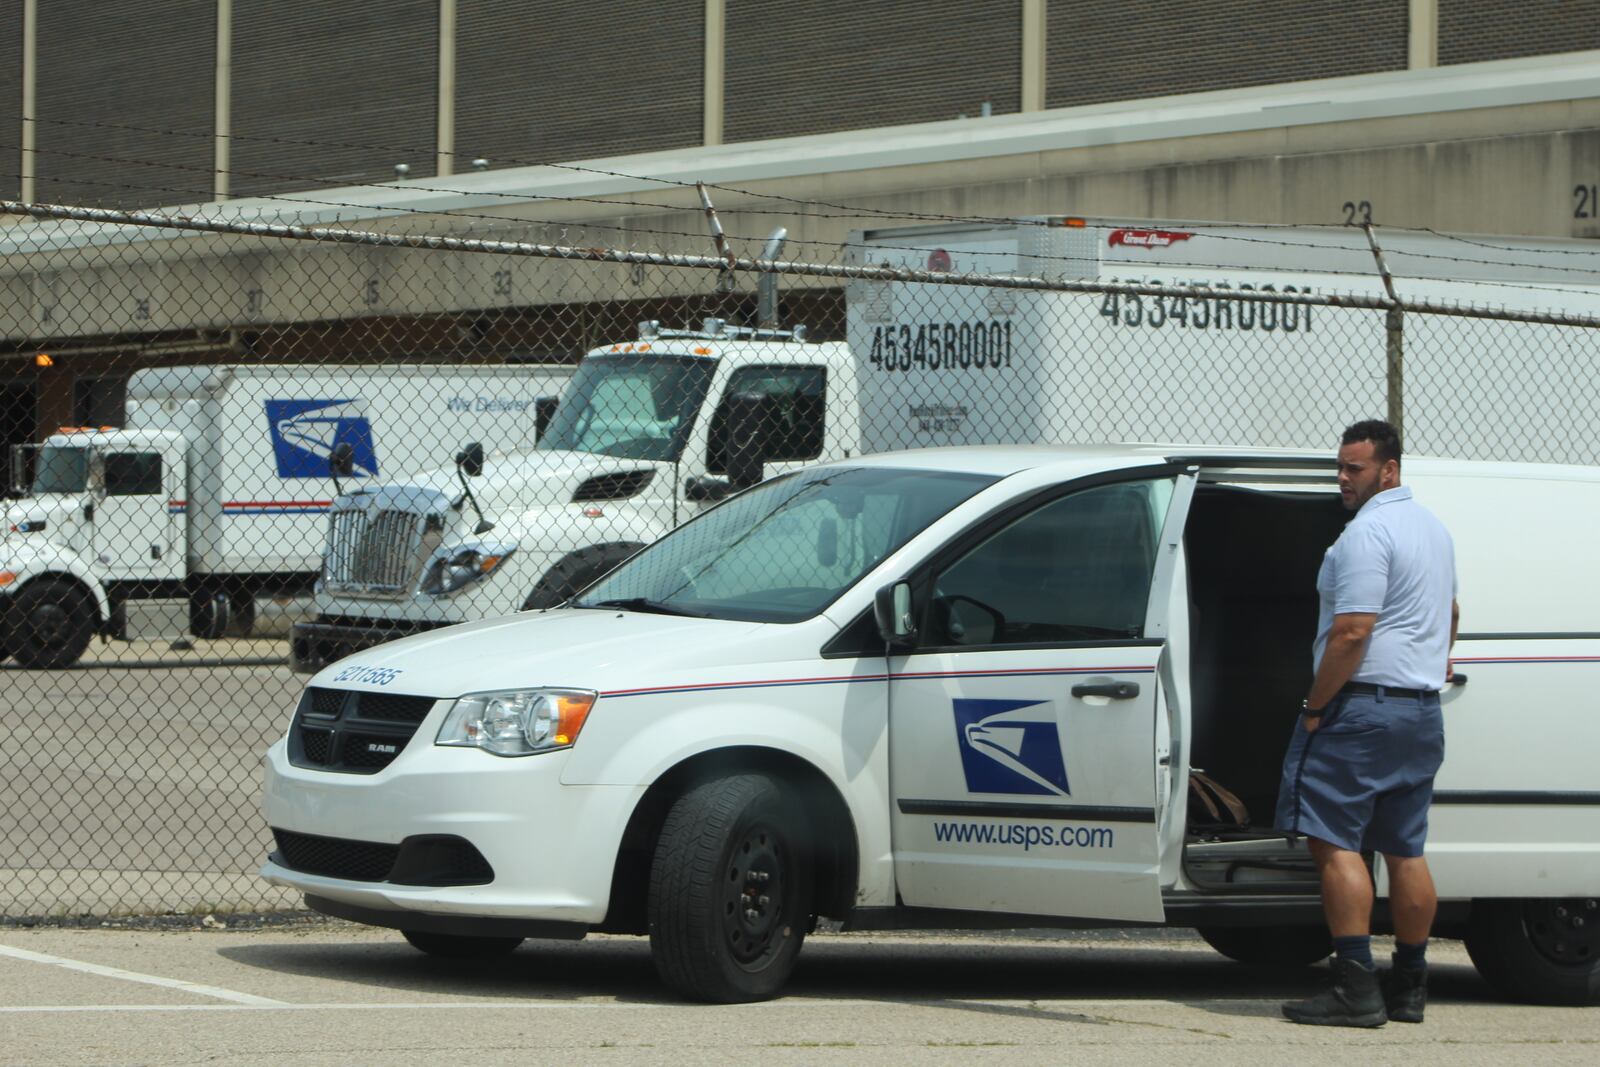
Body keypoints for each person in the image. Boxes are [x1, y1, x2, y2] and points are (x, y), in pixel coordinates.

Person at [1277, 420, 1459, 1028]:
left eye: (1354, 469)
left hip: (1361, 710)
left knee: (1333, 842)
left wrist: (1315, 706)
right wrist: (1434, 659)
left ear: (1389, 470)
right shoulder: (1433, 530)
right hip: (1420, 711)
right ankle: (1409, 985)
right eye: (1340, 467)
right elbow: (1450, 611)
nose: (1342, 479)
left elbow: (1353, 630)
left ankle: (1355, 988)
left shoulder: (1366, 534)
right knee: (1405, 849)